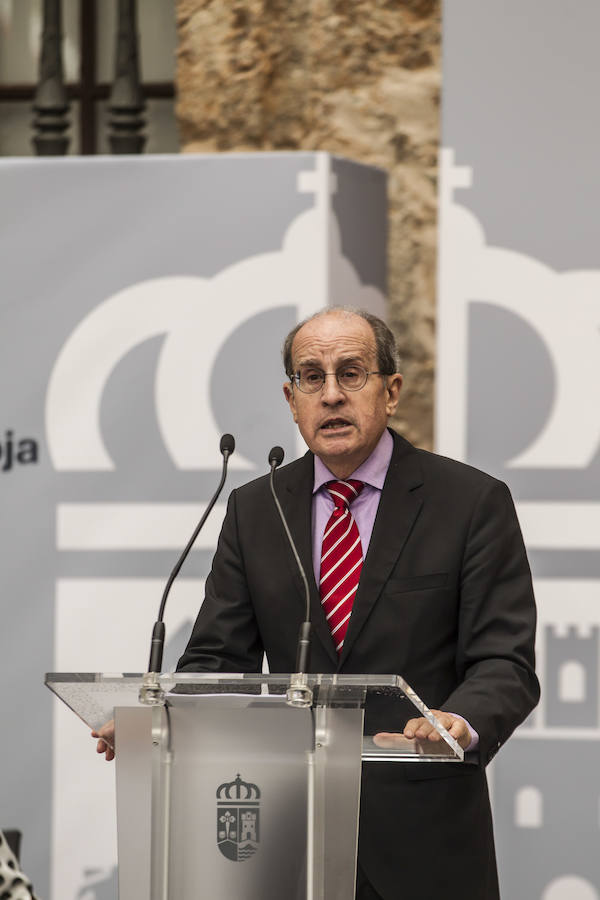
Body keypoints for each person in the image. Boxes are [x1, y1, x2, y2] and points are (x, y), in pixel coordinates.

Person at [98, 306, 539, 899]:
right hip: (284, 842)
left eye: (351, 373)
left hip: (423, 845)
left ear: (391, 391)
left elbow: (504, 661)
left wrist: (458, 722)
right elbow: (215, 661)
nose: (330, 395)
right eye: (312, 377)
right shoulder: (257, 508)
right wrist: (158, 723)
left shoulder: (470, 502)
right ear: (291, 398)